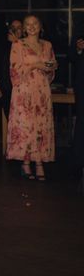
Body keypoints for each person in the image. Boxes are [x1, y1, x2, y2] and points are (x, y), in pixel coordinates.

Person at [6, 14, 56, 181]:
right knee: (26, 127)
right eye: (28, 24)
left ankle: (40, 162)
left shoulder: (47, 45)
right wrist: (35, 65)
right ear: (24, 27)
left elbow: (51, 69)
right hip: (24, 91)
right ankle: (26, 163)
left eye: (35, 23)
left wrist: (51, 67)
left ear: (40, 26)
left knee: (40, 126)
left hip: (42, 91)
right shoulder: (18, 44)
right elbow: (15, 70)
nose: (31, 26)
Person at [0, 19, 23, 119]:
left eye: (18, 28)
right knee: (10, 119)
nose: (15, 31)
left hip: (21, 90)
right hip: (6, 90)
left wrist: (16, 42)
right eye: (12, 28)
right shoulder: (2, 46)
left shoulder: (25, 46)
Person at [68, 34, 84, 186]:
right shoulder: (80, 29)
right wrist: (79, 50)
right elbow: (71, 56)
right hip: (83, 87)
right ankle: (78, 167)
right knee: (81, 127)